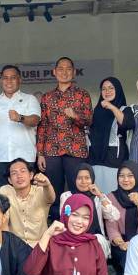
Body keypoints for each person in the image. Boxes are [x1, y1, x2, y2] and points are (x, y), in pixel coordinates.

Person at [37, 57, 93, 209]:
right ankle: (56, 220)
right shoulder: (47, 97)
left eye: (68, 69)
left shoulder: (82, 94)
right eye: (60, 69)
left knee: (78, 189)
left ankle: (79, 220)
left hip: (76, 149)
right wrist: (40, 153)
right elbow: (42, 125)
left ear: (74, 72)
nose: (64, 72)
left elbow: (89, 121)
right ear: (54, 72)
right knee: (53, 190)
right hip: (52, 150)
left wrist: (75, 116)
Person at [0, 65, 41, 189]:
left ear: (19, 80)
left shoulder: (30, 99)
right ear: (1, 81)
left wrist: (20, 118)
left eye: (13, 78)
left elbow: (35, 120)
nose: (9, 81)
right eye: (5, 78)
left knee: (26, 194)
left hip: (25, 156)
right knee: (2, 194)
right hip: (0, 157)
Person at [58, 163, 120, 257]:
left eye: (87, 178)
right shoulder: (66, 196)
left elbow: (114, 216)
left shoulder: (98, 197)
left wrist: (100, 195)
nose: (83, 181)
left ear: (92, 179)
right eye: (79, 178)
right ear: (74, 179)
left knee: (98, 241)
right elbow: (65, 218)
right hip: (72, 237)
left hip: (94, 237)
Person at [88, 77, 135, 194]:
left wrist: (112, 107)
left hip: (114, 158)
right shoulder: (97, 110)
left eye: (111, 88)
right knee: (97, 194)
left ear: (117, 89)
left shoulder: (125, 109)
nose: (107, 91)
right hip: (95, 159)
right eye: (104, 89)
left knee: (112, 194)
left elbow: (127, 124)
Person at [0, 158, 55, 247]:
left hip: (40, 245)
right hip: (16, 245)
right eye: (14, 173)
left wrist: (47, 185)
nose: (19, 176)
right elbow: (3, 221)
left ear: (31, 175)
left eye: (23, 171)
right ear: (10, 180)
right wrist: (9, 247)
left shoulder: (41, 191)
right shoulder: (5, 191)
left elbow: (51, 198)